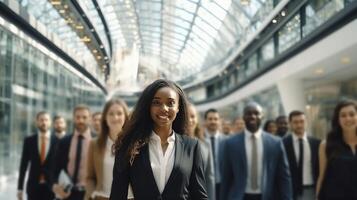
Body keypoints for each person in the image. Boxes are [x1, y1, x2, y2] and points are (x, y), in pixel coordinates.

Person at [110, 79, 207, 200]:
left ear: (178, 108)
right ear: (148, 106)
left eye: (170, 103)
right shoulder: (128, 145)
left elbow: (199, 196)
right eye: (156, 102)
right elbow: (117, 195)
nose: (164, 108)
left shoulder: (192, 147)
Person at [220, 102, 293, 200]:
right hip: (240, 196)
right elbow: (226, 177)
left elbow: (284, 177)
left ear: (262, 116)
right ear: (243, 117)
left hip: (267, 196)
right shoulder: (230, 143)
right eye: (248, 113)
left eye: (256, 113)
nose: (252, 116)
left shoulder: (275, 143)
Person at [85, 99, 131, 200]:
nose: (115, 117)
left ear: (125, 117)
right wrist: (91, 194)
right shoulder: (94, 144)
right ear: (105, 118)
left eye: (119, 113)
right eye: (111, 114)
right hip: (102, 197)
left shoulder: (135, 144)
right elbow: (90, 177)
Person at [316, 100, 357, 200]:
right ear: (337, 119)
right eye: (343, 115)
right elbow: (321, 177)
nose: (348, 118)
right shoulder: (326, 145)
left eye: (352, 114)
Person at [52, 105, 93, 200]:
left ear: (90, 119)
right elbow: (56, 167)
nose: (81, 120)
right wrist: (54, 185)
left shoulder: (96, 141)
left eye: (84, 117)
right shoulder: (64, 141)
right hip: (67, 193)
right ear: (73, 118)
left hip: (88, 194)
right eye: (78, 117)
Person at [17, 111, 58, 200]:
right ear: (36, 122)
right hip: (33, 188)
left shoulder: (57, 141)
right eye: (41, 120)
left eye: (46, 120)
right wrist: (20, 188)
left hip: (51, 188)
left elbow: (60, 165)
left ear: (50, 122)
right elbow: (23, 165)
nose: (44, 122)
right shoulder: (29, 141)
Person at [283, 111, 320, 200]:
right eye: (295, 122)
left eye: (302, 121)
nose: (299, 125)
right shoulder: (283, 143)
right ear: (290, 124)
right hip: (290, 190)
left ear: (306, 122)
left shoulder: (316, 143)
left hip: (311, 189)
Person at [187, 103, 215, 200]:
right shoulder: (173, 143)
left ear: (197, 119)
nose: (190, 120)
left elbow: (209, 178)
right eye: (186, 117)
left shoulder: (205, 145)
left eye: (192, 116)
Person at [204, 108, 226, 200]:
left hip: (223, 184)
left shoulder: (227, 141)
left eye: (215, 119)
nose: (213, 121)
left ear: (219, 121)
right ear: (205, 121)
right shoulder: (198, 141)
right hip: (205, 185)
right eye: (210, 119)